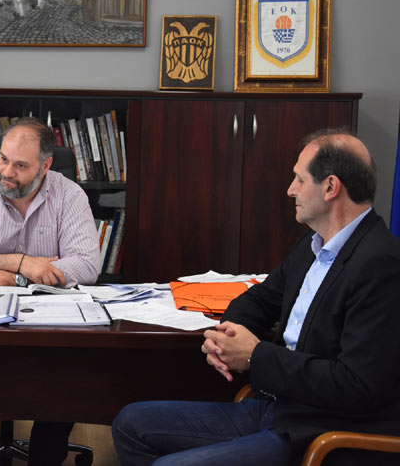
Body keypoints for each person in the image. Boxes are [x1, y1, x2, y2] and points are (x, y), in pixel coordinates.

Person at [112, 129, 400, 466]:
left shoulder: (381, 265)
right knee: (130, 423)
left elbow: (356, 385)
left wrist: (254, 355)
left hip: (321, 430)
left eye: (299, 179)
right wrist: (228, 337)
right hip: (277, 409)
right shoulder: (313, 245)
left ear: (330, 187)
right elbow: (261, 298)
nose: (290, 190)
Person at [0, 117, 100, 465]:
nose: (7, 172)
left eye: (21, 165)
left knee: (69, 369)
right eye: (3, 159)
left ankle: (46, 456)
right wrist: (24, 263)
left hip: (51, 321)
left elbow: (87, 266)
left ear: (46, 166)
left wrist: (16, 279)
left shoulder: (69, 195)